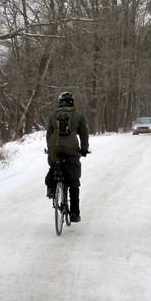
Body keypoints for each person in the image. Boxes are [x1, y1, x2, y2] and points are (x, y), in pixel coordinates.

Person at [45, 91, 89, 223]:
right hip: (71, 148)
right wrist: (84, 149)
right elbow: (84, 134)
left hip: (54, 146)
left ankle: (52, 188)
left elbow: (49, 133)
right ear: (72, 102)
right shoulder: (78, 115)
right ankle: (75, 213)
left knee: (53, 164)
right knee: (74, 178)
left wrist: (50, 148)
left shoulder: (53, 114)